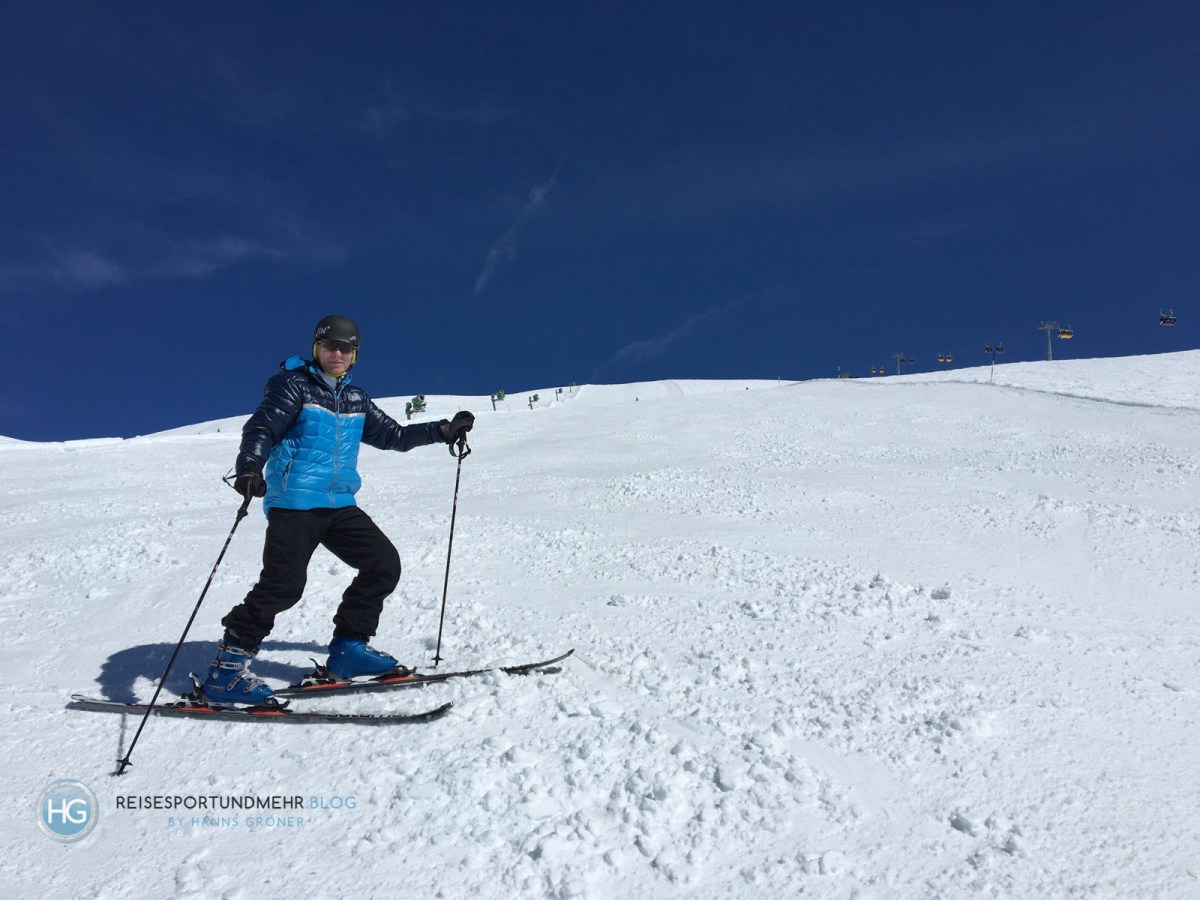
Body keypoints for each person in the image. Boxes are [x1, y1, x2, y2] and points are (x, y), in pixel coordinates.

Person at [202, 315, 474, 705]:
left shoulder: (355, 399)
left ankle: (348, 650)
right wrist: (249, 467)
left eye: (346, 349)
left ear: (354, 355)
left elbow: (394, 436)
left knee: (383, 564)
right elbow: (263, 427)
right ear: (316, 348)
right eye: (330, 346)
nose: (337, 354)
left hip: (338, 504)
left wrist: (442, 431)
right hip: (294, 503)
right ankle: (225, 671)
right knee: (284, 586)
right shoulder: (293, 386)